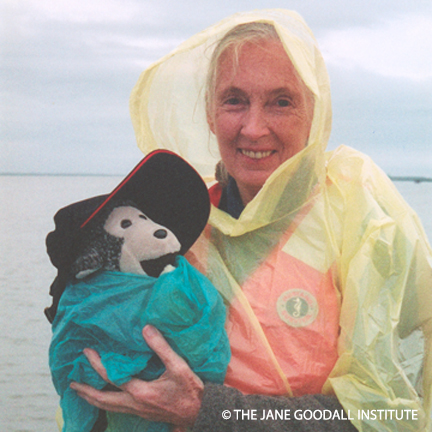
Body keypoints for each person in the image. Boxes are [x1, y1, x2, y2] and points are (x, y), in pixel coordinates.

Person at [70, 9, 432, 432]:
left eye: (281, 102)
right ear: (209, 113)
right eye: (234, 100)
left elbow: (387, 415)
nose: (254, 128)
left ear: (313, 114)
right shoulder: (175, 227)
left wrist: (207, 412)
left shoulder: (358, 218)